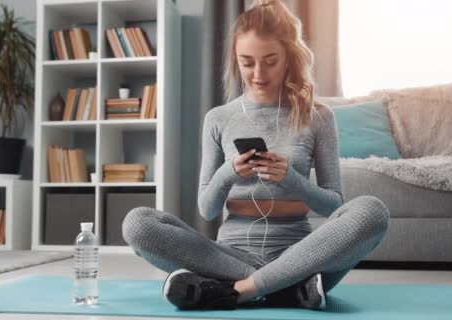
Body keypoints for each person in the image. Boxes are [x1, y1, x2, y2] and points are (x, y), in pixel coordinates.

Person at [122, 0, 389, 311]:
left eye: (270, 61)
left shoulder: (318, 117)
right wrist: (228, 174)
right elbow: (207, 209)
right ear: (236, 59)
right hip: (228, 257)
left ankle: (238, 291)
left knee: (372, 211)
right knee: (138, 223)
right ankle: (283, 290)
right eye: (247, 62)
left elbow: (334, 206)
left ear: (289, 57)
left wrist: (291, 179)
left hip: (300, 256)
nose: (258, 73)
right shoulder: (219, 118)